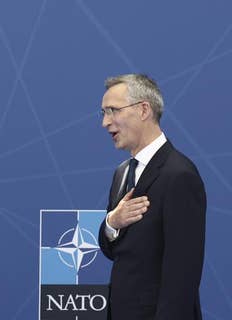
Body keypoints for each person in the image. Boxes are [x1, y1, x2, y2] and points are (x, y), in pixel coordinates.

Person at [98, 74, 206, 320]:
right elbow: (113, 250)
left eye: (113, 110)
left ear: (144, 109)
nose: (105, 122)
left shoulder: (179, 175)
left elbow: (182, 277)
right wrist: (112, 224)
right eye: (103, 113)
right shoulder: (122, 173)